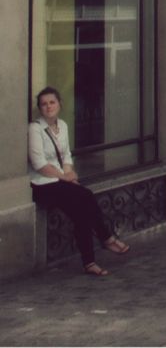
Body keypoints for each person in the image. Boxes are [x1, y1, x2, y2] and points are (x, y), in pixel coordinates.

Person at [28, 87, 130, 276]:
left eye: (52, 102)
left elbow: (66, 156)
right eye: (44, 104)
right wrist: (65, 177)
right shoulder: (35, 128)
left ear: (59, 104)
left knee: (81, 212)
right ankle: (106, 238)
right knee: (86, 195)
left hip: (60, 181)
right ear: (39, 108)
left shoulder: (64, 126)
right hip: (42, 184)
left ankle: (89, 263)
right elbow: (39, 164)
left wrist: (69, 175)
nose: (48, 106)